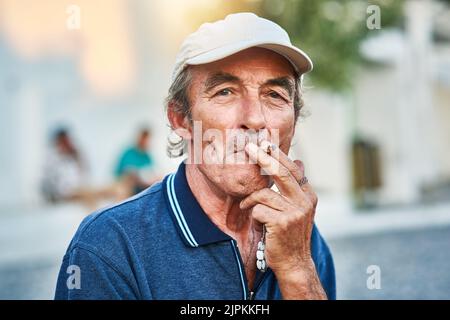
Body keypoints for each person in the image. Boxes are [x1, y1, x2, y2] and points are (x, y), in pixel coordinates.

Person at [55, 12, 336, 300]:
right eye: (225, 92)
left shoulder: (301, 237)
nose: (254, 119)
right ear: (181, 120)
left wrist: (297, 268)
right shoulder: (109, 246)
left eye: (275, 95)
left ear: (294, 118)